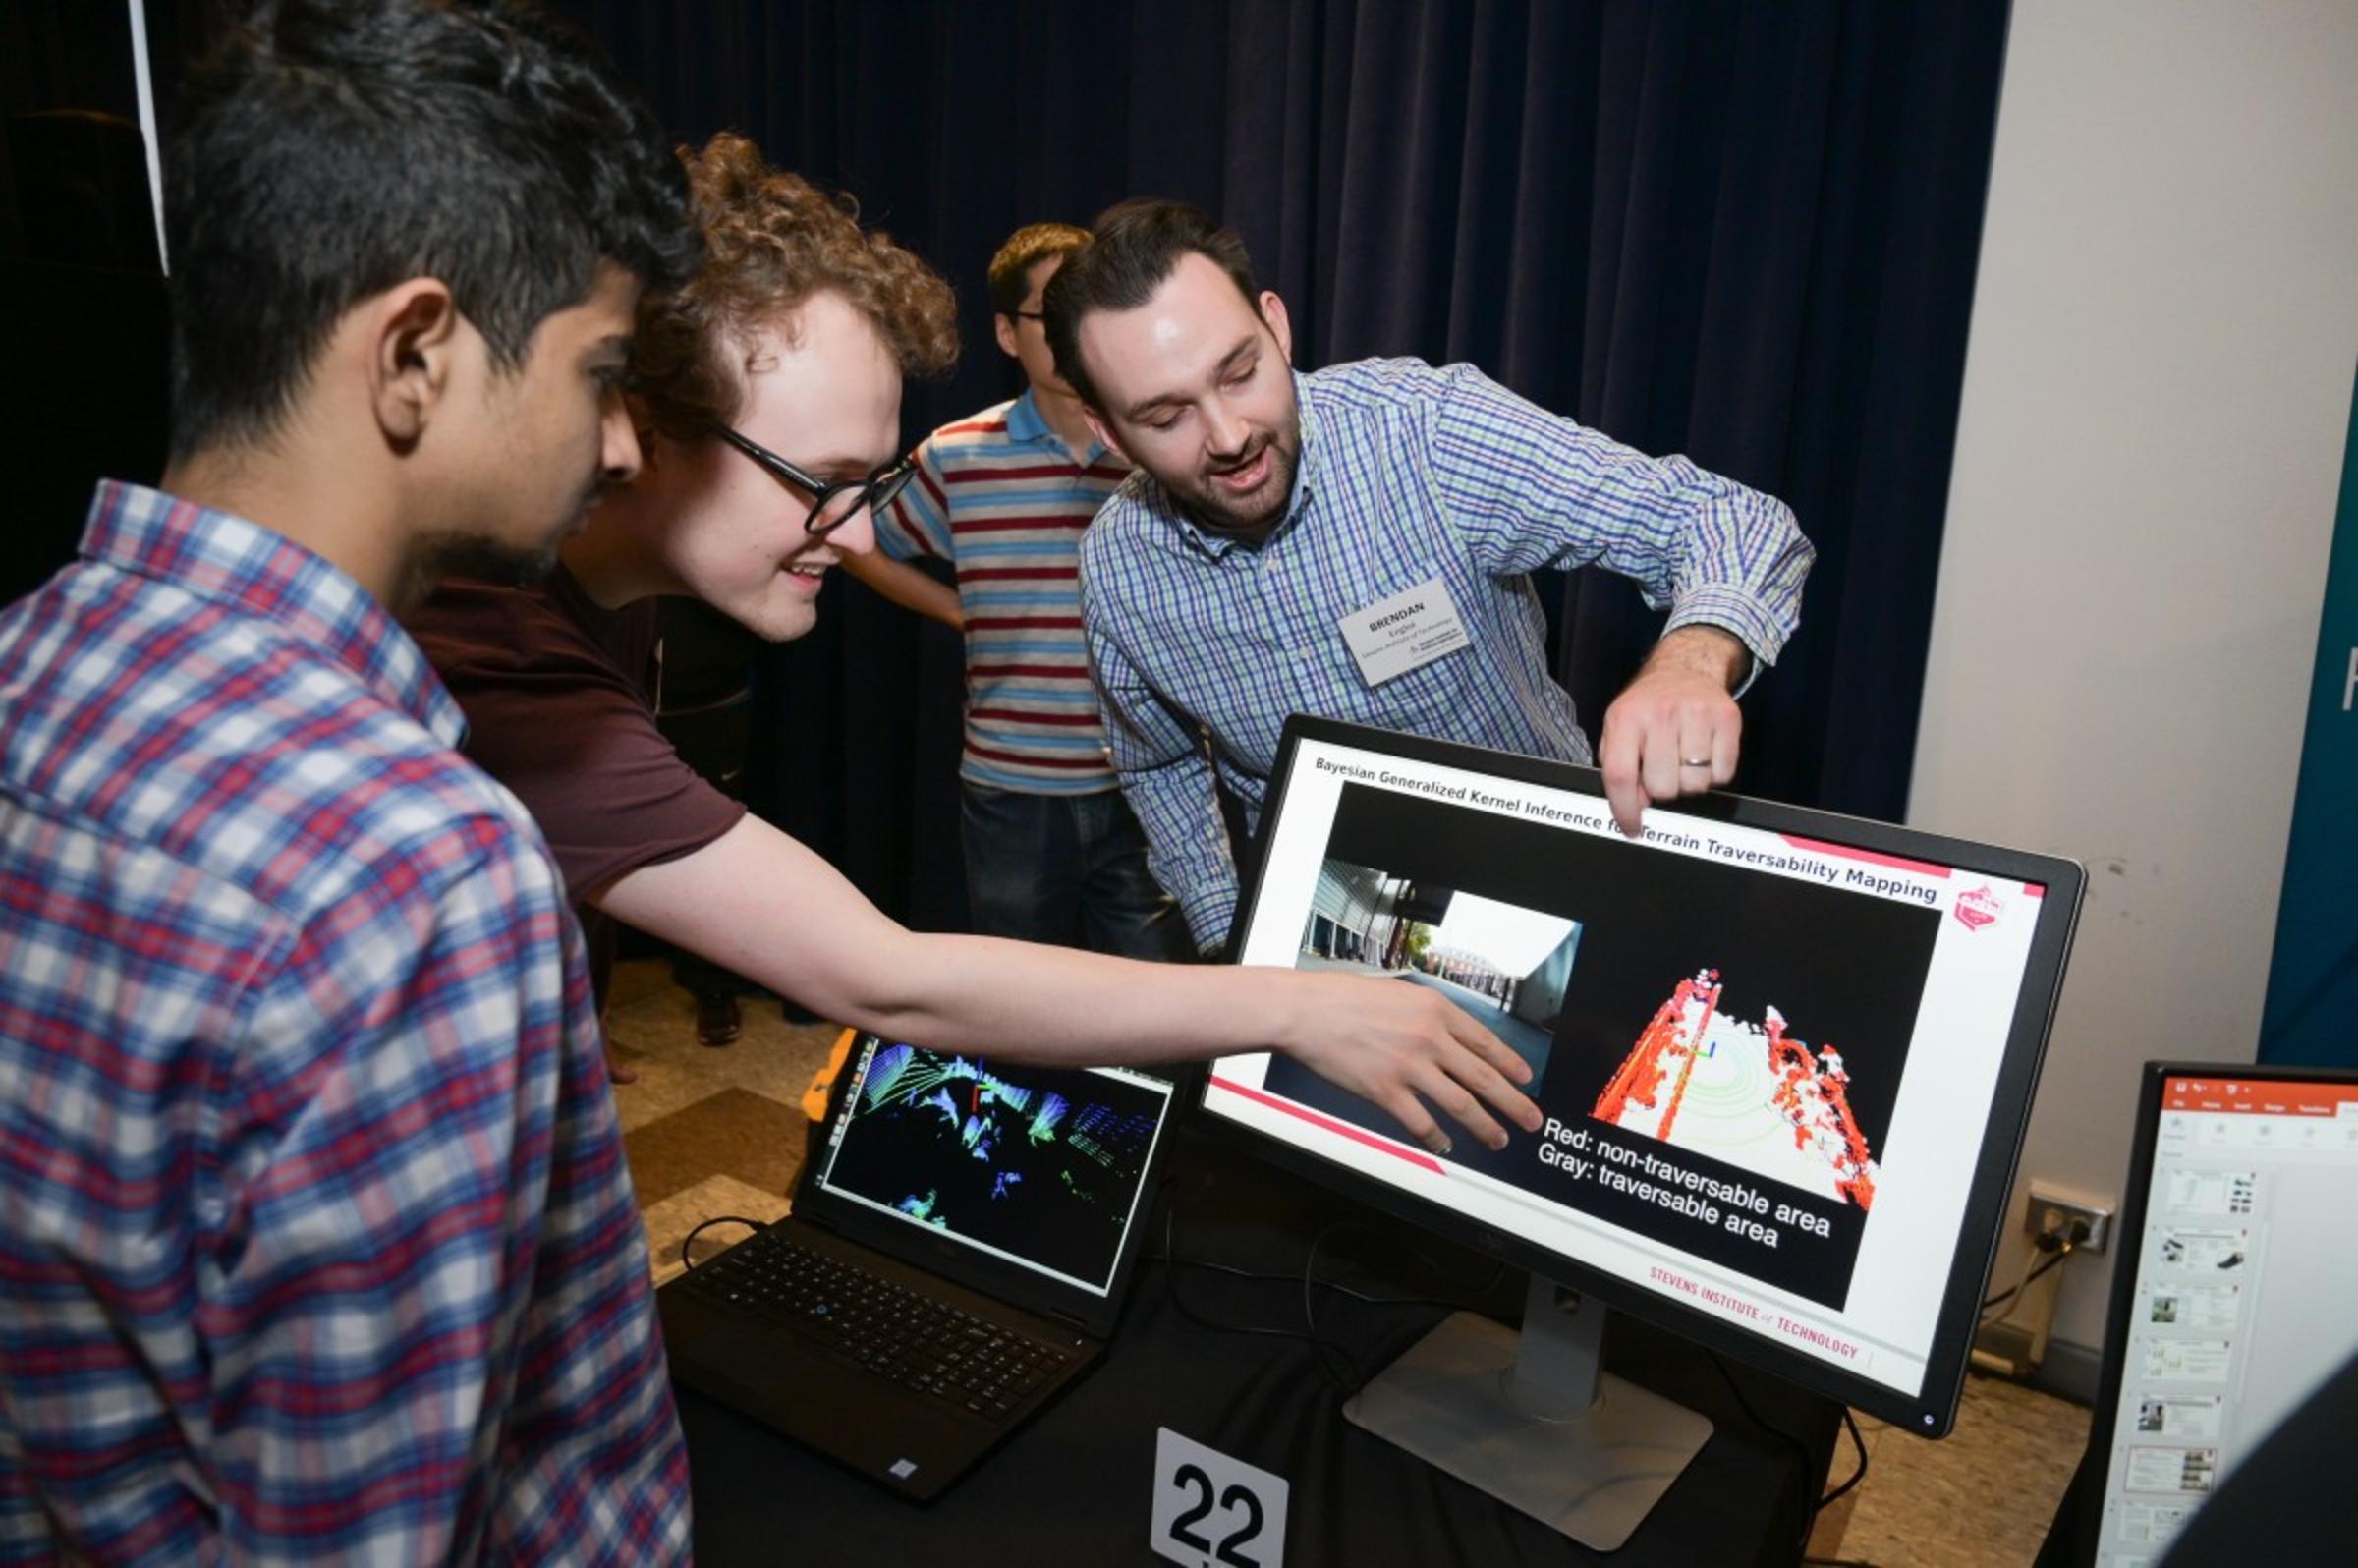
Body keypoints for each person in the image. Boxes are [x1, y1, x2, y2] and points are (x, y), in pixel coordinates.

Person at [409, 135, 1542, 1161]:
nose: (855, 534)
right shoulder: (481, 635)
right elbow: (885, 982)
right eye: (823, 486)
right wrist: (1297, 1004)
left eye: (871, 485)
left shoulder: (602, 592)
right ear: (640, 430)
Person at [0, 3, 699, 1562]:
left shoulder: (24, 671)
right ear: (416, 353)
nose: (626, 448)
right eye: (597, 371)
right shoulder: (413, 872)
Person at [1041, 199, 1818, 955]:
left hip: (1546, 891)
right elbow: (1157, 759)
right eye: (1166, 417)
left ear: (1275, 325)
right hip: (1321, 931)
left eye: (1240, 373)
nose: (1229, 434)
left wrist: (1688, 663)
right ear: (1109, 430)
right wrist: (1227, 933)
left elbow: (1726, 520)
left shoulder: (1425, 433)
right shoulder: (1119, 567)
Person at [843, 222, 1190, 960]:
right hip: (1013, 784)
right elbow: (857, 543)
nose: (1068, 333)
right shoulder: (958, 452)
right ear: (1007, 333)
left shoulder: (1156, 448)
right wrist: (954, 610)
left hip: (1147, 777)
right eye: (1047, 314)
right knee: (1017, 1002)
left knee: (1157, 1007)